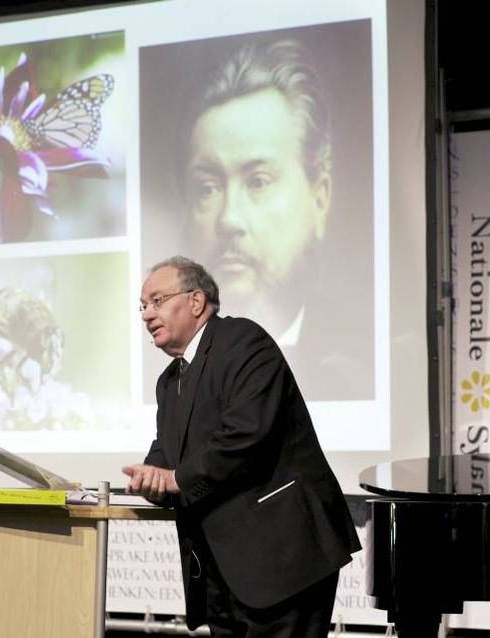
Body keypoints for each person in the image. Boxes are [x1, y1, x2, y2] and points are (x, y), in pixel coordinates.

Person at [124, 256, 361, 637]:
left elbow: (246, 435)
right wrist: (149, 476)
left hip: (283, 558)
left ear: (196, 302)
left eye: (157, 300)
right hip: (223, 573)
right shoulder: (169, 381)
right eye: (143, 305)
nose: (146, 314)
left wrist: (175, 479)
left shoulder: (243, 342)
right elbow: (166, 452)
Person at [178, 38, 372, 400]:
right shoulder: (163, 367)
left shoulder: (367, 364)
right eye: (207, 187)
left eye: (258, 181)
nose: (230, 219)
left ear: (319, 198)